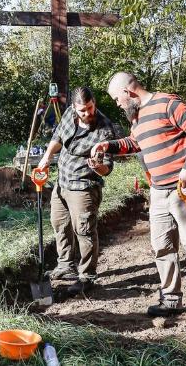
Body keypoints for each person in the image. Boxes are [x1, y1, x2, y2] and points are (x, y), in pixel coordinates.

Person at [91, 72, 186, 337]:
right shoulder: (137, 117)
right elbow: (136, 143)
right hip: (158, 190)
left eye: (117, 99)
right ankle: (171, 298)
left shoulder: (167, 104)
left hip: (184, 189)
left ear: (129, 91)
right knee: (162, 246)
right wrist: (108, 145)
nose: (117, 104)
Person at [37, 87, 115, 296]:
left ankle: (87, 276)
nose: (87, 113)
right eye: (82, 110)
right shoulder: (70, 114)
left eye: (90, 108)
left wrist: (97, 166)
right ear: (74, 107)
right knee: (59, 223)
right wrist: (46, 158)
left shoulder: (104, 129)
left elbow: (107, 168)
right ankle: (65, 265)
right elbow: (58, 136)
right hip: (61, 181)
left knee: (85, 230)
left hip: (83, 186)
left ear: (94, 102)